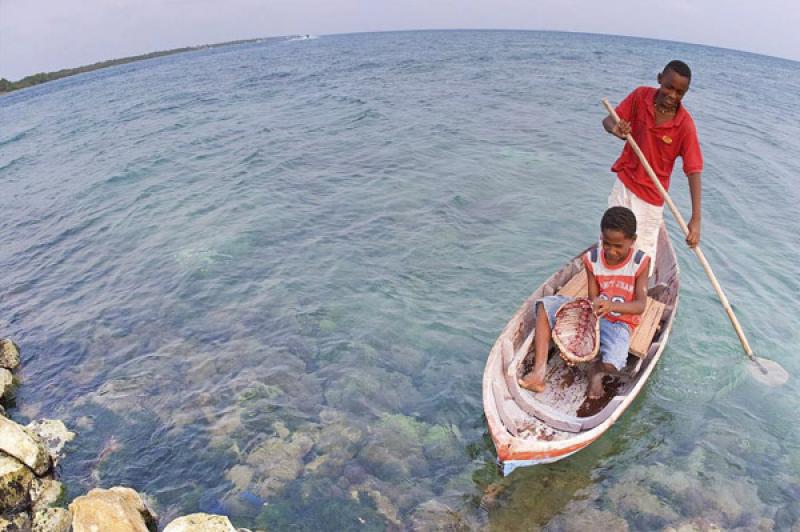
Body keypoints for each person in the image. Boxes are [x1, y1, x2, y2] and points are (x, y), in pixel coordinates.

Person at [519, 206, 649, 398]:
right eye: (606, 244)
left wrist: (611, 306)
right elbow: (592, 297)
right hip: (595, 315)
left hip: (620, 323)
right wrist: (585, 324)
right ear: (601, 237)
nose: (611, 251)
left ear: (632, 240)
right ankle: (539, 372)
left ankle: (596, 369)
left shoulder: (640, 262)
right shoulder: (592, 259)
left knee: (615, 364)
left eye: (618, 246)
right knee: (545, 306)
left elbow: (640, 306)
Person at [602, 60, 703, 266]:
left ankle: (638, 295)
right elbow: (608, 120)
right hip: (624, 183)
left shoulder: (685, 125)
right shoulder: (640, 97)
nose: (672, 96)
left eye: (679, 92)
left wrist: (695, 220)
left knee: (642, 253)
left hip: (651, 197)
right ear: (659, 79)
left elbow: (694, 171)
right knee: (610, 241)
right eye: (668, 87)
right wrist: (616, 129)